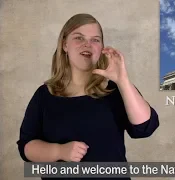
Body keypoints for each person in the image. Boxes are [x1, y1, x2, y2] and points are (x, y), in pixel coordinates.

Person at [16, 13, 159, 180]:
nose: (88, 45)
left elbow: (145, 128)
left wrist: (123, 80)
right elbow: (26, 147)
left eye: (95, 40)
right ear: (64, 45)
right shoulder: (44, 95)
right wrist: (59, 151)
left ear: (101, 48)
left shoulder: (115, 89)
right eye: (79, 38)